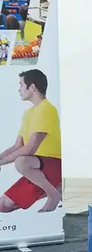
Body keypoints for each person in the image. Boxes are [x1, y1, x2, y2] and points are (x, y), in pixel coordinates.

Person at [0, 70, 62, 214]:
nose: (19, 89)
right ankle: (56, 188)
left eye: (21, 85)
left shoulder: (46, 110)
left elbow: (30, 149)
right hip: (37, 167)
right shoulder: (28, 114)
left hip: (53, 165)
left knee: (21, 162)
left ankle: (53, 193)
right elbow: (17, 146)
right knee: (3, 205)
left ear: (32, 87)